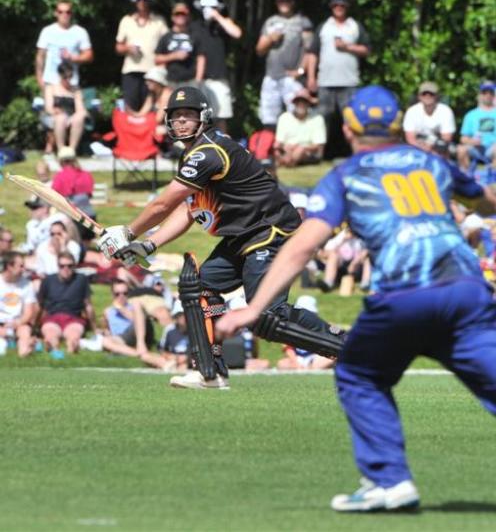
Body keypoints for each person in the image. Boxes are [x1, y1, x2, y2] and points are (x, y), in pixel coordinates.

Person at [217, 84, 496, 512]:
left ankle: (389, 481)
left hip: (403, 296)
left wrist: (254, 308)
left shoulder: (346, 176)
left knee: (359, 376)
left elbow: (302, 246)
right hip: (465, 290)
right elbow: (484, 199)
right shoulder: (429, 161)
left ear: (348, 130)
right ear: (399, 124)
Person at [97, 86, 343, 390]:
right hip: (243, 238)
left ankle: (344, 347)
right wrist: (148, 243)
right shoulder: (194, 154)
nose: (182, 121)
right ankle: (209, 371)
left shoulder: (208, 153)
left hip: (270, 232)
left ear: (204, 118)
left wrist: (127, 232)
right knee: (198, 287)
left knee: (266, 316)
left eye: (188, 115)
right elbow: (190, 210)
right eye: (176, 116)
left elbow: (164, 203)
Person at [306, 0, 370, 158]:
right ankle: (317, 156)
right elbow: (312, 53)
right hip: (325, 82)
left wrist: (347, 47)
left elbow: (366, 50)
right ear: (331, 7)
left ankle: (356, 154)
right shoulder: (324, 27)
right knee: (321, 120)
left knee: (350, 120)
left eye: (341, 5)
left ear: (346, 7)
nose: (338, 8)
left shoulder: (354, 26)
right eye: (335, 5)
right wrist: (311, 77)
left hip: (349, 82)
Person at [35, 0, 93, 154]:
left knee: (71, 114)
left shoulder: (79, 32)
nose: (64, 15)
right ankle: (51, 146)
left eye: (68, 12)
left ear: (72, 14)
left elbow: (89, 55)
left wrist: (73, 58)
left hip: (71, 82)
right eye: (61, 11)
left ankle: (69, 149)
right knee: (54, 113)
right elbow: (40, 56)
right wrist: (39, 77)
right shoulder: (47, 31)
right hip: (51, 80)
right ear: (56, 13)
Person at [255, 0, 313, 130]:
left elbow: (310, 50)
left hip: (292, 78)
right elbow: (259, 50)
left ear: (292, 2)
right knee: (268, 118)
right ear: (276, 2)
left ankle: (294, 148)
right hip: (271, 77)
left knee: (296, 115)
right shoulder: (271, 22)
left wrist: (301, 71)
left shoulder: (302, 22)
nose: (283, 3)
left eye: (287, 0)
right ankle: (270, 149)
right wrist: (270, 39)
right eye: (280, 0)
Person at [191, 0, 242, 132]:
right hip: (200, 79)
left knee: (221, 118)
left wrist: (217, 16)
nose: (208, 10)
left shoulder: (222, 25)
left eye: (212, 7)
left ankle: (223, 149)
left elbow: (237, 33)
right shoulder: (194, 26)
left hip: (218, 78)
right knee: (203, 117)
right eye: (205, 8)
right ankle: (204, 148)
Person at [115, 0, 168, 112]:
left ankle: (149, 133)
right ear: (135, 1)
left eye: (145, 0)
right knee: (130, 107)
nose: (142, 2)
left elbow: (168, 45)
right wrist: (128, 48)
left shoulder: (159, 22)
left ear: (150, 2)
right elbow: (118, 47)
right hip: (131, 71)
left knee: (150, 109)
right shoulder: (126, 20)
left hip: (153, 72)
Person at [38, 251, 96, 353]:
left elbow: (88, 305)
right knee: (51, 334)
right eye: (62, 266)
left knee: (73, 336)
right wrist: (35, 326)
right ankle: (52, 344)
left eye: (69, 266)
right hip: (52, 318)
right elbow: (40, 306)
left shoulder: (81, 279)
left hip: (74, 318)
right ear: (57, 266)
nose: (66, 269)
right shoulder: (48, 280)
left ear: (74, 266)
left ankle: (72, 346)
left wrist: (94, 328)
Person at [154, 3, 205, 91]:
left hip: (191, 81)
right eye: (177, 14)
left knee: (190, 104)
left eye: (183, 14)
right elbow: (157, 59)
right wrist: (174, 56)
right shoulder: (166, 36)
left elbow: (201, 57)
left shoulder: (194, 35)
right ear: (172, 17)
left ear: (188, 16)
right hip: (171, 81)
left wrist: (198, 80)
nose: (180, 17)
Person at [42, 61, 88, 153]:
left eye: (70, 77)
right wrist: (56, 112)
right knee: (61, 118)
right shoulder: (51, 88)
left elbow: (80, 109)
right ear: (60, 75)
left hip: (71, 116)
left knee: (79, 118)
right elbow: (48, 108)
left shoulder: (75, 90)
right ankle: (61, 150)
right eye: (65, 77)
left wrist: (73, 117)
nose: (68, 80)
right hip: (54, 116)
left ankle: (72, 150)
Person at [51, 146, 95, 239]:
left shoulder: (60, 176)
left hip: (72, 216)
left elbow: (54, 196)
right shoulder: (86, 174)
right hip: (89, 214)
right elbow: (89, 194)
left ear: (60, 161)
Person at [274, 88, 327, 166]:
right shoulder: (284, 118)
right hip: (287, 149)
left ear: (309, 104)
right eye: (298, 101)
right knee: (276, 150)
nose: (301, 104)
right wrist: (285, 148)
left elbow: (318, 146)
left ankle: (287, 162)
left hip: (309, 152)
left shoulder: (317, 119)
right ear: (295, 103)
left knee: (300, 150)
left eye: (304, 101)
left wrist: (300, 148)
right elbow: (278, 142)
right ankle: (288, 161)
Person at [0, 252, 37, 357]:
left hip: (19, 322)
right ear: (9, 267)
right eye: (20, 266)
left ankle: (24, 352)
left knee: (25, 331)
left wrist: (18, 323)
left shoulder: (27, 284)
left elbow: (29, 312)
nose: (23, 269)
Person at [403, 81, 456, 152]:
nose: (427, 96)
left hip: (438, 146)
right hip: (417, 146)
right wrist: (421, 147)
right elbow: (410, 138)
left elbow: (446, 138)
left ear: (437, 96)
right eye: (424, 94)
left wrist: (431, 147)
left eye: (431, 94)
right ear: (419, 96)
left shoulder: (446, 111)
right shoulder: (411, 111)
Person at [458, 80, 496, 170]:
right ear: (480, 95)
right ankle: (466, 178)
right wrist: (471, 141)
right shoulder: (470, 115)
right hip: (475, 148)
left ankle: (493, 178)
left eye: (491, 92)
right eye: (484, 92)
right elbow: (463, 138)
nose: (488, 95)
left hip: (493, 148)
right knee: (461, 150)